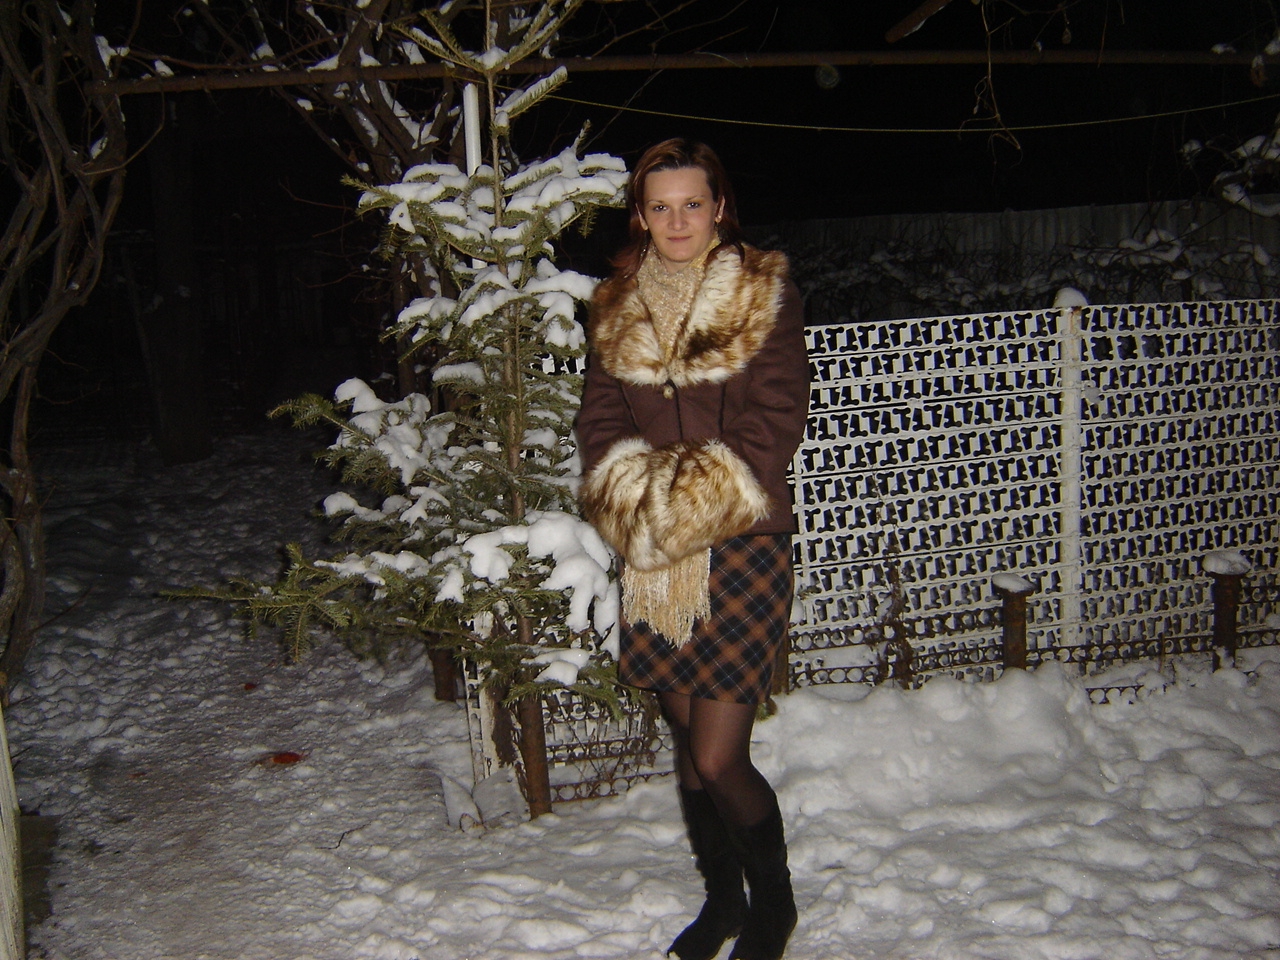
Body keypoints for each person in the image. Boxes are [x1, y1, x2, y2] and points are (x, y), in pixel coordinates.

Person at [575, 138, 810, 960]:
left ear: (720, 209)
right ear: (641, 216)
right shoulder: (616, 306)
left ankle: (774, 905)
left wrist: (689, 502)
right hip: (654, 553)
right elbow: (600, 418)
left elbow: (777, 414)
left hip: (742, 540)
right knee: (685, 739)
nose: (678, 221)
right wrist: (636, 500)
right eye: (661, 206)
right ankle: (723, 902)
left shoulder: (760, 291)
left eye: (693, 204)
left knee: (717, 755)